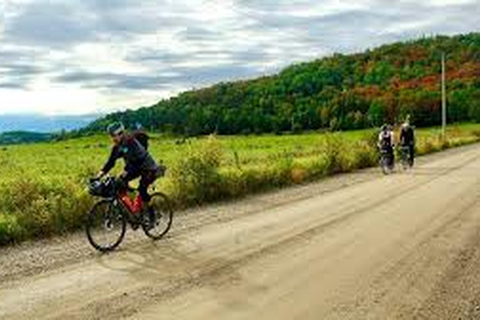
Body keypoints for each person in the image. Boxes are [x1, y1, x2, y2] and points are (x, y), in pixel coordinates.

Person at [97, 122, 163, 226]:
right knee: (119, 183)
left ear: (121, 134)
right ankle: (132, 211)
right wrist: (100, 175)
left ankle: (152, 216)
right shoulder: (117, 147)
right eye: (111, 136)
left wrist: (127, 171)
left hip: (147, 167)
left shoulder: (130, 141)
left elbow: (137, 159)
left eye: (114, 136)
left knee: (142, 190)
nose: (113, 138)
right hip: (134, 168)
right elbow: (110, 162)